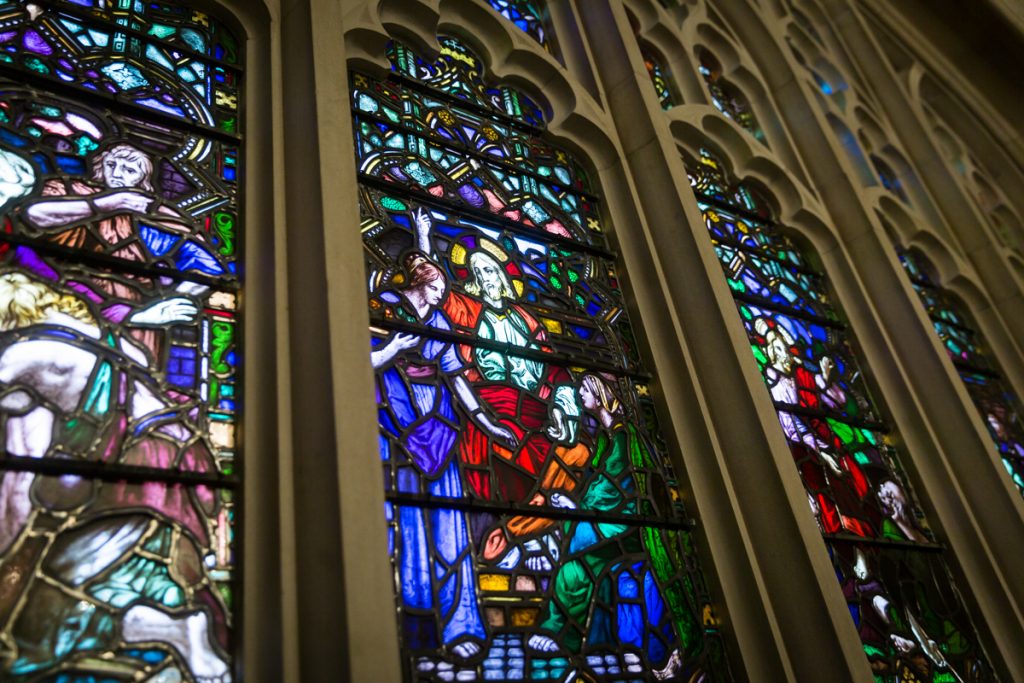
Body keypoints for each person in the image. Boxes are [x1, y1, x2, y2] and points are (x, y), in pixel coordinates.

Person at [0, 272, 231, 682]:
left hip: (140, 472)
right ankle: (173, 629)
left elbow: (24, 472)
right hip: (178, 465)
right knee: (129, 580)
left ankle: (171, 630)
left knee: (51, 600)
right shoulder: (103, 337)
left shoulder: (29, 353)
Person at [372, 251, 499, 659]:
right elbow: (355, 357)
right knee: (403, 521)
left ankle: (461, 623)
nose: (442, 295)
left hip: (439, 422)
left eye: (443, 288)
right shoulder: (381, 306)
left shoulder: (440, 322)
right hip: (394, 416)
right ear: (417, 284)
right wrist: (393, 348)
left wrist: (486, 422)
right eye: (436, 287)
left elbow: (458, 379)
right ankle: (413, 626)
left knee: (451, 524)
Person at [527, 374, 696, 680]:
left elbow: (619, 489)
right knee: (578, 538)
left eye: (585, 390)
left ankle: (560, 630)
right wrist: (578, 508)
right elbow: (603, 487)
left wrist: (579, 509)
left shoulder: (623, 437)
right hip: (611, 518)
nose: (580, 394)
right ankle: (570, 631)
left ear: (601, 394)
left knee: (578, 550)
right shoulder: (607, 437)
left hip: (630, 524)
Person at [412, 208, 569, 502]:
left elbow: (555, 369)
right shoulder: (468, 310)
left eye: (490, 269)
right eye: (478, 271)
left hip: (535, 412)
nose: (485, 277)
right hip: (489, 404)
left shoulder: (527, 319)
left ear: (501, 274)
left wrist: (561, 406)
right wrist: (423, 238)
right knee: (501, 479)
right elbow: (435, 287)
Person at [756, 317, 876, 537]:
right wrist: (821, 450)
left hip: (825, 438)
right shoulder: (777, 385)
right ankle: (848, 536)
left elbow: (835, 402)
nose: (783, 353)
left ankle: (865, 531)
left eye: (783, 347)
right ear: (771, 354)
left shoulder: (804, 374)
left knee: (854, 480)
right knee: (826, 487)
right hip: (804, 447)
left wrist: (827, 379)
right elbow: (792, 427)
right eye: (776, 349)